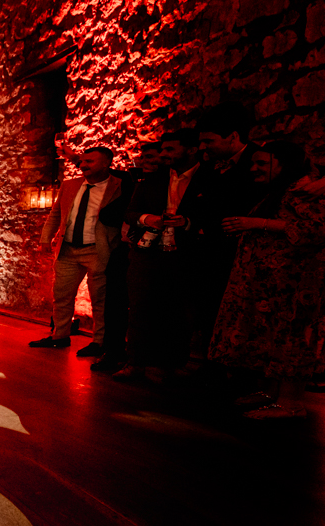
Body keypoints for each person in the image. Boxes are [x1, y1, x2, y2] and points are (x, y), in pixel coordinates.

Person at [209, 142, 323, 419]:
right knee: (271, 338)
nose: (254, 169)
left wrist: (256, 224)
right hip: (272, 287)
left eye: (262, 163)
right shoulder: (280, 190)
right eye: (253, 163)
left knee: (291, 339)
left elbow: (315, 230)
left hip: (294, 287)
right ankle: (272, 394)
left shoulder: (304, 191)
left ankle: (290, 402)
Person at [117, 129, 213, 382]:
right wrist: (148, 219)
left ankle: (167, 365)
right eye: (163, 149)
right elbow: (130, 213)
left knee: (177, 311)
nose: (163, 154)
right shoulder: (153, 179)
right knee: (140, 307)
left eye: (170, 149)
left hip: (186, 254)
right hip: (147, 252)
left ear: (191, 150)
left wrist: (188, 223)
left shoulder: (209, 177)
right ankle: (135, 362)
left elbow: (216, 215)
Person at [30, 146, 123, 357]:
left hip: (98, 249)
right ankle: (59, 336)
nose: (83, 165)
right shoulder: (71, 185)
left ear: (106, 163)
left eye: (90, 161)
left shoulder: (118, 186)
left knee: (100, 298)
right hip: (68, 249)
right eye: (82, 161)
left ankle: (99, 341)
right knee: (61, 295)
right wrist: (46, 238)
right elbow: (56, 213)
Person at [196, 103, 263, 347]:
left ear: (233, 136)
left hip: (242, 254)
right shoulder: (208, 165)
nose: (203, 147)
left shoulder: (259, 162)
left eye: (209, 141)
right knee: (208, 312)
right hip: (210, 253)